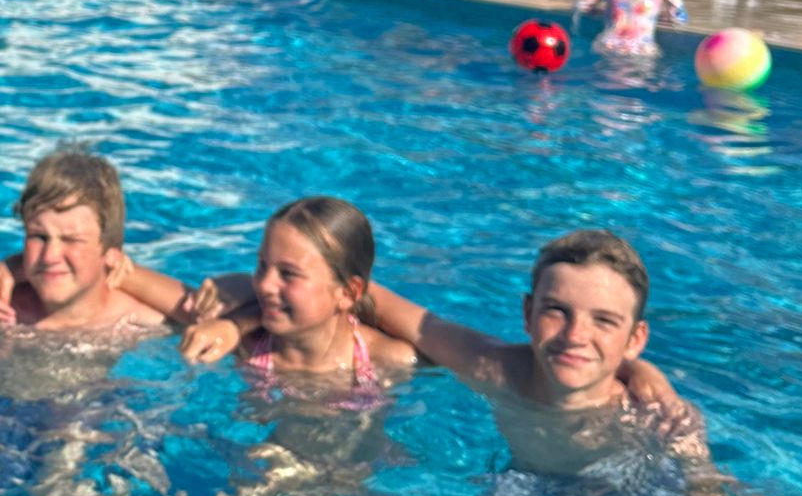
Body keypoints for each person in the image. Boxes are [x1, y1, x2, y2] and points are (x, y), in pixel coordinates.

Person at [363, 230, 708, 470]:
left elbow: (702, 495)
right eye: (557, 311)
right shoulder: (498, 370)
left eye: (603, 320)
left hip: (617, 495)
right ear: (528, 314)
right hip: (523, 487)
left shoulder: (657, 416)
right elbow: (419, 323)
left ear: (635, 339)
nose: (575, 335)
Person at [170, 198, 417, 387]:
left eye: (288, 273)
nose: (263, 284)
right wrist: (129, 268)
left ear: (348, 293)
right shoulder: (241, 343)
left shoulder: (389, 360)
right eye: (262, 265)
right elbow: (168, 296)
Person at [0, 146, 167, 336]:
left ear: (112, 255)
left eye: (71, 239)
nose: (50, 256)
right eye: (39, 237)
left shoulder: (146, 327)